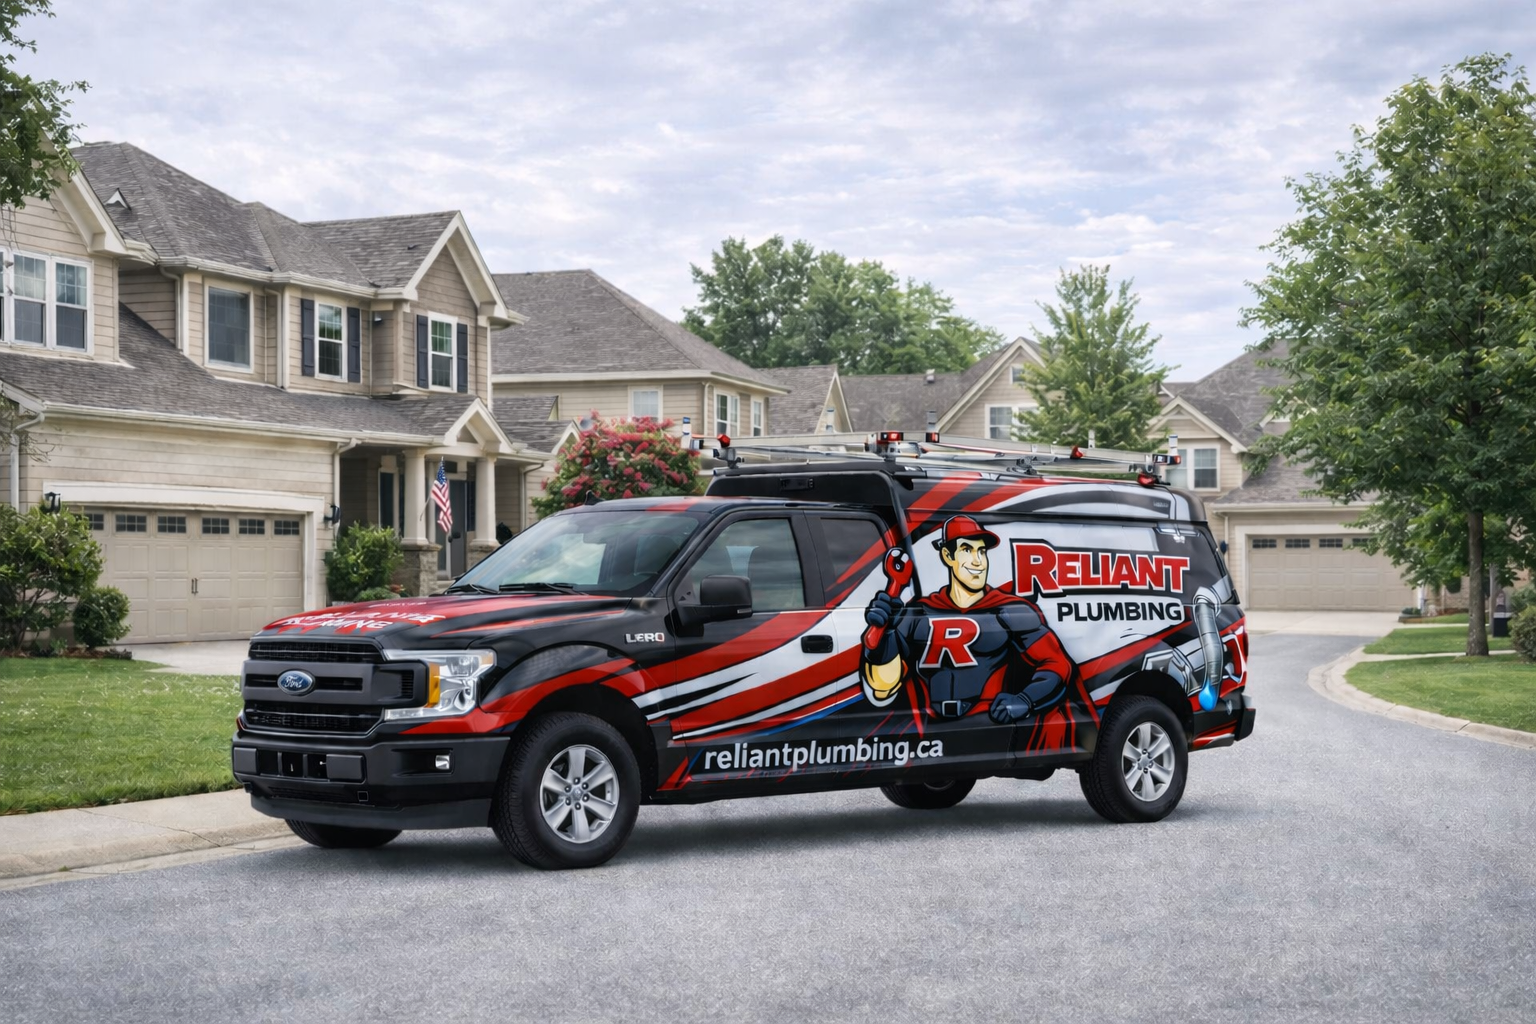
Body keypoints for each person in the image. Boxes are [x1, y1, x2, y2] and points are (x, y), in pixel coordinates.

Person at [860, 516, 1073, 731]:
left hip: (990, 728)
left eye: (981, 552)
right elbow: (882, 686)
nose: (978, 561)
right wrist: (882, 633)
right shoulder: (921, 612)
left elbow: (1056, 663)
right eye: (967, 550)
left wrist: (1026, 700)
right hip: (929, 730)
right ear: (947, 556)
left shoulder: (1008, 610)